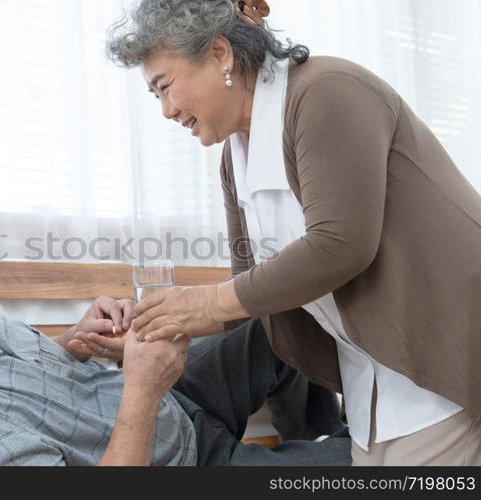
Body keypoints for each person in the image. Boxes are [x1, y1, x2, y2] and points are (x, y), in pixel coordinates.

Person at [106, 0, 481, 466]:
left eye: (165, 86)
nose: (165, 110)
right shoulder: (234, 157)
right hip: (376, 381)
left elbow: (340, 243)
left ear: (220, 53)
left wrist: (204, 304)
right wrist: (162, 326)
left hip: (444, 353)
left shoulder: (327, 90)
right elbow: (252, 288)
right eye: (153, 96)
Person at [0, 201, 350, 466]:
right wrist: (141, 386)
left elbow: (18, 379)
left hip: (176, 399)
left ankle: (316, 429)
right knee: (384, 462)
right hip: (187, 459)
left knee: (279, 312)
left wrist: (76, 340)